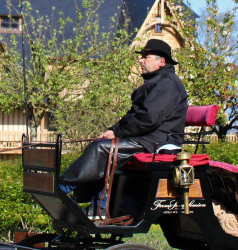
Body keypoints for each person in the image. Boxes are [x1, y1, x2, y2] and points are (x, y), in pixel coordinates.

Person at [59, 39, 188, 205]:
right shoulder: (156, 82)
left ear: (161, 61)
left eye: (145, 56)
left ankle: (64, 187)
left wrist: (117, 133)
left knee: (102, 149)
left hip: (159, 141)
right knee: (104, 145)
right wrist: (113, 130)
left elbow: (147, 119)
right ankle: (94, 203)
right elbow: (133, 115)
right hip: (148, 137)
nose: (140, 60)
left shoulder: (168, 84)